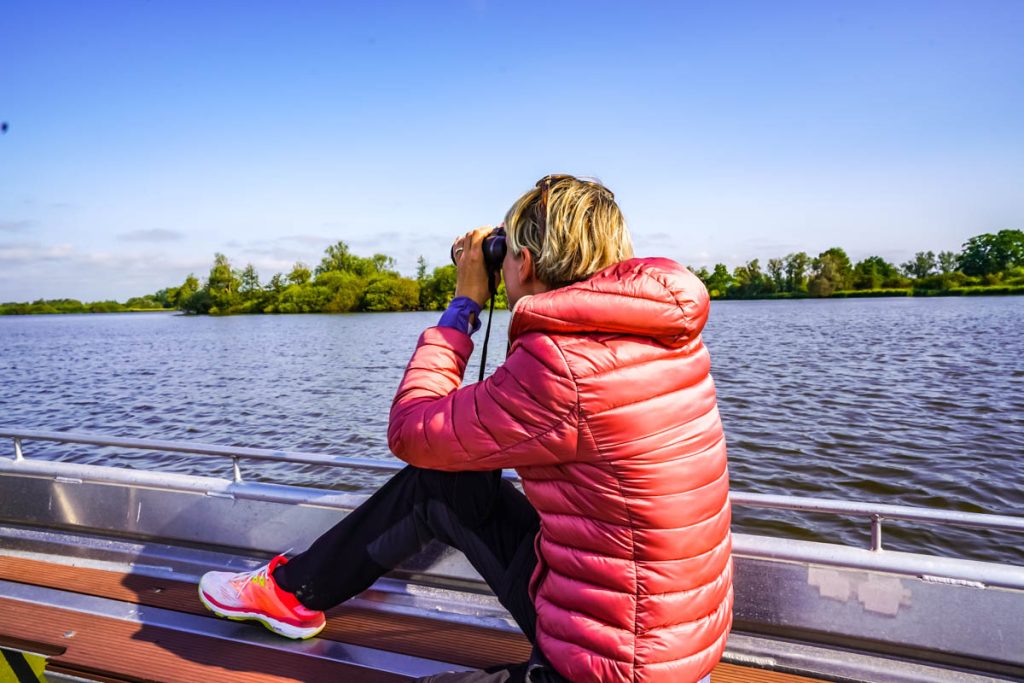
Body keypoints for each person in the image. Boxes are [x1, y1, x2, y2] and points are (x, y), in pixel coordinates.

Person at [199, 175, 732, 683]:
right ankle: (292, 593)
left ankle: (292, 591)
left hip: (614, 666)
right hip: (662, 640)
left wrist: (464, 304)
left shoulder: (562, 364)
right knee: (445, 482)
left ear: (522, 260)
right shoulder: (664, 336)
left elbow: (411, 428)